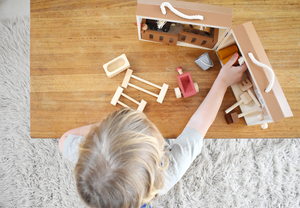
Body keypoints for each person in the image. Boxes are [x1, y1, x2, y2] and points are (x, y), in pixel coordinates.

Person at [59, 53, 247, 208]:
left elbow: (64, 139)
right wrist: (222, 82)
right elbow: (198, 125)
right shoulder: (167, 174)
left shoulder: (83, 157)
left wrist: (100, 132)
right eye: (152, 134)